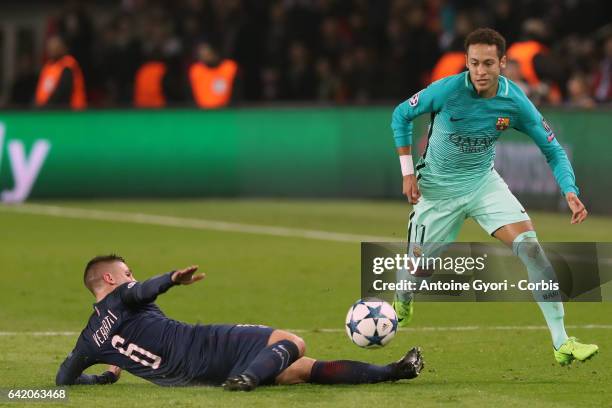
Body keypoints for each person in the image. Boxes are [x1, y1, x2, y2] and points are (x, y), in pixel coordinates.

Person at [390, 28, 598, 366]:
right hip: (438, 191)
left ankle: (562, 342)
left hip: (483, 184)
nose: (481, 71)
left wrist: (570, 190)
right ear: (467, 63)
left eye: (488, 63)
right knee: (418, 268)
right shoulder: (448, 90)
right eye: (474, 63)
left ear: (503, 62)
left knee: (531, 249)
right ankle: (403, 297)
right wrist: (407, 173)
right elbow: (401, 114)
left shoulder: (514, 101)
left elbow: (553, 149)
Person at [56, 255, 424, 391]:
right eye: (127, 272)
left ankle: (394, 371)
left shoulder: (89, 339)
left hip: (187, 378)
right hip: (202, 345)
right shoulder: (124, 293)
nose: (131, 277)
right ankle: (246, 379)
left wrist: (102, 377)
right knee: (293, 342)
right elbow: (142, 291)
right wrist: (170, 278)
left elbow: (63, 380)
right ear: (109, 280)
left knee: (299, 370)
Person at [34, 35, 87, 110]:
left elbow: (64, 91)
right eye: (50, 47)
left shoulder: (68, 65)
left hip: (68, 113)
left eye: (55, 47)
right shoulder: (48, 66)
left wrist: (48, 106)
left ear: (62, 48)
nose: (51, 50)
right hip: (46, 112)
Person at [188, 41, 240, 109]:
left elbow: (237, 91)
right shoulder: (196, 70)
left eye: (208, 54)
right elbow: (189, 93)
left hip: (226, 111)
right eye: (202, 55)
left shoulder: (230, 67)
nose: (205, 57)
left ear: (215, 53)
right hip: (202, 112)